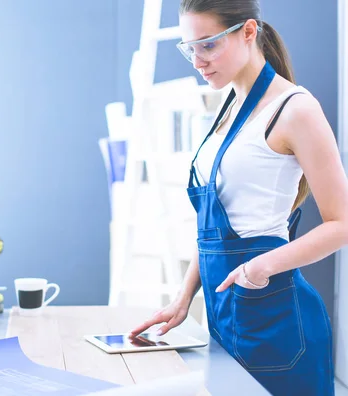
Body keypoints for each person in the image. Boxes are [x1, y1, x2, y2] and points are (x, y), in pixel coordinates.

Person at [129, 1, 348, 395]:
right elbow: (214, 225)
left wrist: (259, 268)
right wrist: (184, 299)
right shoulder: (226, 109)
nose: (197, 60)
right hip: (225, 315)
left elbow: (342, 224)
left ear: (248, 32)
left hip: (277, 322)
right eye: (189, 48)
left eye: (208, 45)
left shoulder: (295, 109)